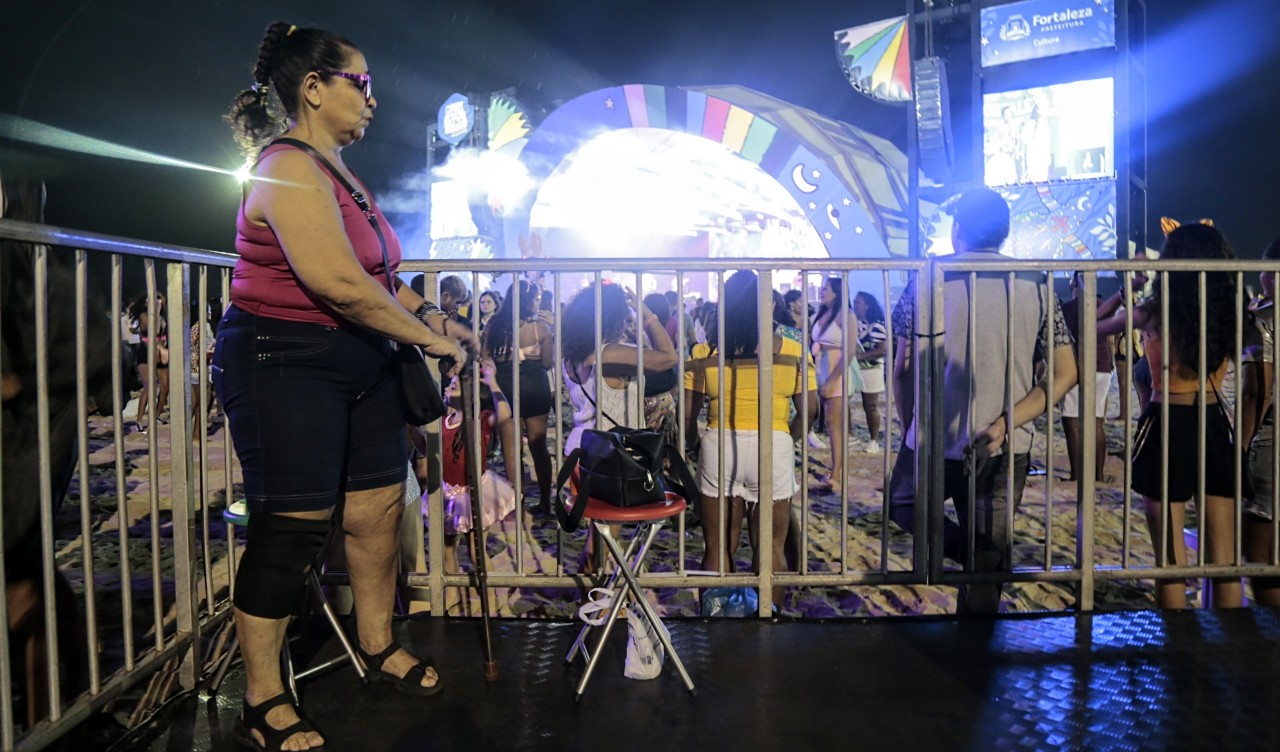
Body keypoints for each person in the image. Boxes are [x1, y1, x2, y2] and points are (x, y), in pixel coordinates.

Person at [217, 22, 474, 751]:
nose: (372, 97)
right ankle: (262, 699)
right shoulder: (286, 166)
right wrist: (428, 338)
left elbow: (372, 273)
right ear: (314, 87)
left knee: (375, 510)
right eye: (360, 83)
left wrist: (426, 311)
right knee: (291, 529)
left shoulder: (336, 169)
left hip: (357, 360)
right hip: (283, 360)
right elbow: (332, 280)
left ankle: (376, 643)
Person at [887, 188, 1077, 614]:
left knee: (903, 503)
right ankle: (977, 654)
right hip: (1005, 442)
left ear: (957, 231)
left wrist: (910, 425)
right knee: (989, 553)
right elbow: (1066, 373)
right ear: (1005, 233)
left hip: (935, 435)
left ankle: (969, 553)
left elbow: (901, 367)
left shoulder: (928, 276)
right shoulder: (1037, 282)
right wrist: (1006, 424)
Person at [1119, 222, 1244, 609]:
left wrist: (1132, 284)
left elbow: (1094, 325)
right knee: (1224, 562)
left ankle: (1179, 658)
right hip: (1213, 421)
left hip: (1166, 421)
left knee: (1170, 563)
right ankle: (1235, 653)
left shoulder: (1155, 312)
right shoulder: (1230, 312)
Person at [684, 270, 818, 605]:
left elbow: (687, 415)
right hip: (773, 444)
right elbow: (810, 410)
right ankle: (768, 618)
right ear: (769, 304)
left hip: (720, 442)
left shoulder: (704, 353)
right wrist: (790, 439)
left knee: (717, 546)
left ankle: (715, 618)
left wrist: (694, 444)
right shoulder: (794, 350)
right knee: (770, 545)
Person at [483, 279, 554, 513]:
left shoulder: (495, 325)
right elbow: (546, 363)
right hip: (535, 386)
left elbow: (484, 358)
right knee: (538, 445)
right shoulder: (540, 328)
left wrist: (509, 355)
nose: (537, 303)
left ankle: (517, 502)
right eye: (534, 299)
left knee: (511, 449)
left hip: (506, 387)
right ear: (526, 301)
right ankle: (545, 501)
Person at [1240, 238, 1280, 606]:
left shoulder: (1261, 319)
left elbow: (1256, 393)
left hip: (1271, 442)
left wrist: (1240, 446)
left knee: (1262, 558)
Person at [1059, 271, 1120, 482]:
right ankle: (1098, 475)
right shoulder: (1102, 304)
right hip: (1102, 367)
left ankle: (1077, 475)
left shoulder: (1068, 308)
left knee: (1072, 421)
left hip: (1079, 367)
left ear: (1075, 283)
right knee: (1096, 423)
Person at [810, 275, 862, 493]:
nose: (822, 292)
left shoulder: (846, 315)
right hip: (820, 368)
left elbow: (849, 351)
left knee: (834, 423)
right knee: (822, 419)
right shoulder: (820, 314)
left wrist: (832, 381)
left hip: (837, 371)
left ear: (838, 292)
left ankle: (837, 473)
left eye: (826, 289)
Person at [852, 291, 888, 454]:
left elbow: (883, 350)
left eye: (858, 302)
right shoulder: (852, 323)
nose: (855, 305)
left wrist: (859, 356)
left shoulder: (876, 326)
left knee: (870, 405)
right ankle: (849, 435)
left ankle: (873, 440)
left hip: (871, 369)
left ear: (867, 305)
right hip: (855, 368)